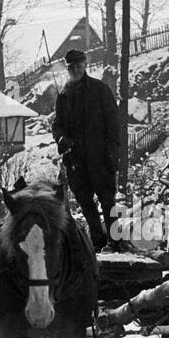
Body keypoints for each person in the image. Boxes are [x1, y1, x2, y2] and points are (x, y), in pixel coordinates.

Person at [52, 49, 122, 251]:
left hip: (100, 158)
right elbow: (57, 125)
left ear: (85, 66)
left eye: (79, 66)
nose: (75, 70)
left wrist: (111, 152)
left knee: (108, 202)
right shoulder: (64, 96)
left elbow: (114, 122)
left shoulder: (100, 90)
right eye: (71, 67)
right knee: (85, 202)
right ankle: (98, 243)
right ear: (68, 68)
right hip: (76, 160)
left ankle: (116, 243)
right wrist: (62, 138)